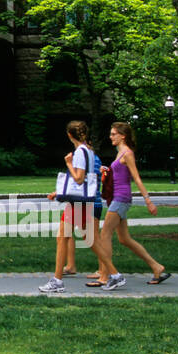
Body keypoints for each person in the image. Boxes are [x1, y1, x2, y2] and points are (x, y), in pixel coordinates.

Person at [90, 121, 171, 289]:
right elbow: (119, 175)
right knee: (124, 239)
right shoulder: (119, 154)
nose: (110, 136)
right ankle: (157, 267)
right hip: (117, 198)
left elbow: (137, 178)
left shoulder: (127, 154)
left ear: (122, 136)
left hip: (122, 198)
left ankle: (106, 276)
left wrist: (148, 201)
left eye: (113, 134)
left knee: (104, 235)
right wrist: (106, 171)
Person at [39, 120, 101, 293]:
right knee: (89, 239)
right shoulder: (88, 151)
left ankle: (57, 280)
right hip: (83, 200)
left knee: (62, 237)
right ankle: (114, 273)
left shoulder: (80, 152)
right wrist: (58, 193)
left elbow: (79, 179)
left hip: (78, 201)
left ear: (69, 135)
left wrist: (68, 164)